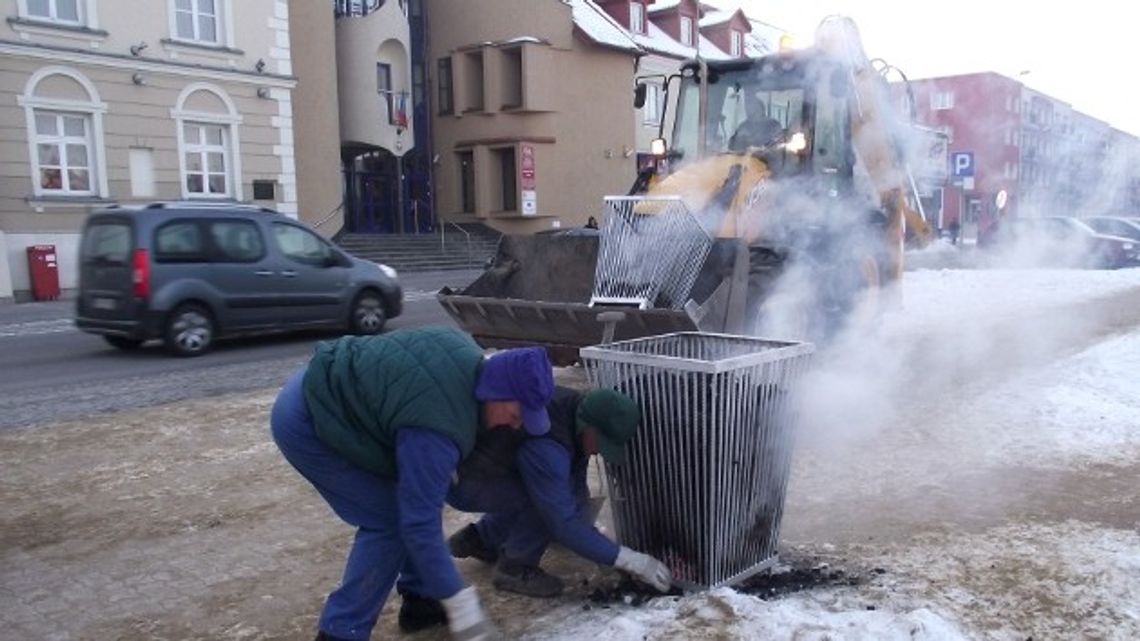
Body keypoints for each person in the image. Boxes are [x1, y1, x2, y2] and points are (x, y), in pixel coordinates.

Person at [270, 325, 555, 641]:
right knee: (389, 521)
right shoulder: (439, 426)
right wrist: (461, 604)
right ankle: (341, 631)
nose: (515, 425)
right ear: (497, 392)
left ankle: (420, 601)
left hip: (342, 397)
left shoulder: (468, 357)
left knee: (416, 498)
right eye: (516, 414)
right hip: (309, 416)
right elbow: (417, 523)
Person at [396, 385, 673, 631]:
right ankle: (514, 567)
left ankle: (481, 538)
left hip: (492, 469)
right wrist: (627, 558)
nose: (601, 452)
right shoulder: (549, 447)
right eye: (602, 442)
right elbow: (561, 521)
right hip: (464, 479)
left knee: (550, 495)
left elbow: (575, 489)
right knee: (545, 502)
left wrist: (601, 551)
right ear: (590, 427)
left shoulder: (574, 413)